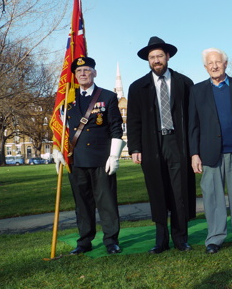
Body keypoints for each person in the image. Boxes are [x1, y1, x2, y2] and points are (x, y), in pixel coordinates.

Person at [127, 37, 196, 254]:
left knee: (179, 191)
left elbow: (194, 119)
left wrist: (195, 149)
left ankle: (180, 238)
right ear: (148, 61)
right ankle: (161, 240)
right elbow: (133, 120)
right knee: (157, 191)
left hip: (178, 143)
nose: (156, 60)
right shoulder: (137, 87)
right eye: (152, 57)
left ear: (167, 57)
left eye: (159, 56)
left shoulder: (185, 83)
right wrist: (135, 148)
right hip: (152, 145)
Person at [53, 56, 125, 255]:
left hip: (101, 160)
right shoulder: (67, 99)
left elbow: (116, 129)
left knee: (107, 202)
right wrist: (57, 150)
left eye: (86, 70)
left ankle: (111, 241)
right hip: (76, 159)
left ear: (95, 72)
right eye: (78, 71)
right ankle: (84, 242)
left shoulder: (108, 96)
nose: (83, 74)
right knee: (82, 204)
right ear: (74, 75)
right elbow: (60, 128)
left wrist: (114, 156)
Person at [189, 48, 232, 254]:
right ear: (205, 67)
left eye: (218, 62)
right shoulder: (197, 90)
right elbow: (193, 124)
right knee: (212, 198)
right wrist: (194, 154)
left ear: (225, 64)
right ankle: (215, 239)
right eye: (210, 63)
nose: (214, 66)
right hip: (209, 153)